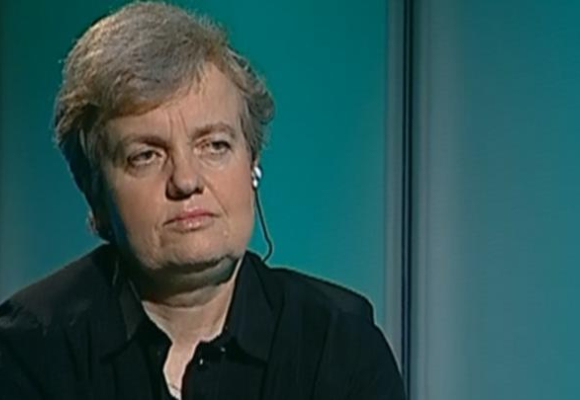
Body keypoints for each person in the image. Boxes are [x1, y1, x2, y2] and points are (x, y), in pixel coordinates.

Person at [0, 2, 405, 399]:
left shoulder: (340, 346)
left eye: (214, 145)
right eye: (146, 155)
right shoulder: (32, 349)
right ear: (95, 192)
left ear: (252, 165)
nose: (186, 180)